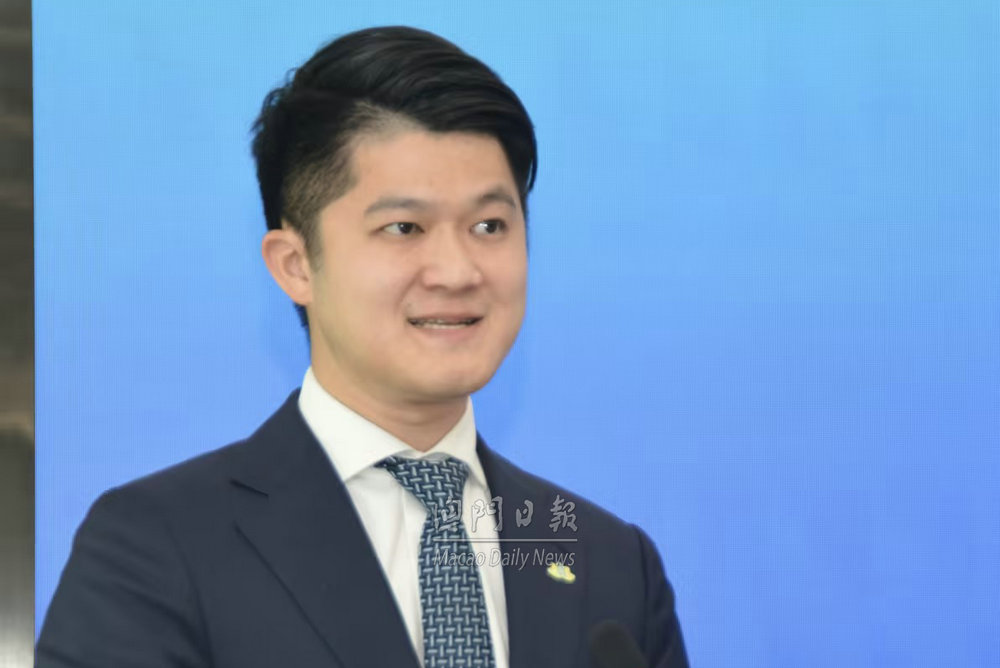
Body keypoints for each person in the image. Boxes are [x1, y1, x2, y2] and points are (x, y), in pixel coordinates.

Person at [36, 26, 688, 668]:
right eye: (404, 227)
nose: (457, 271)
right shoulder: (157, 545)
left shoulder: (608, 562)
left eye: (489, 225)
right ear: (296, 266)